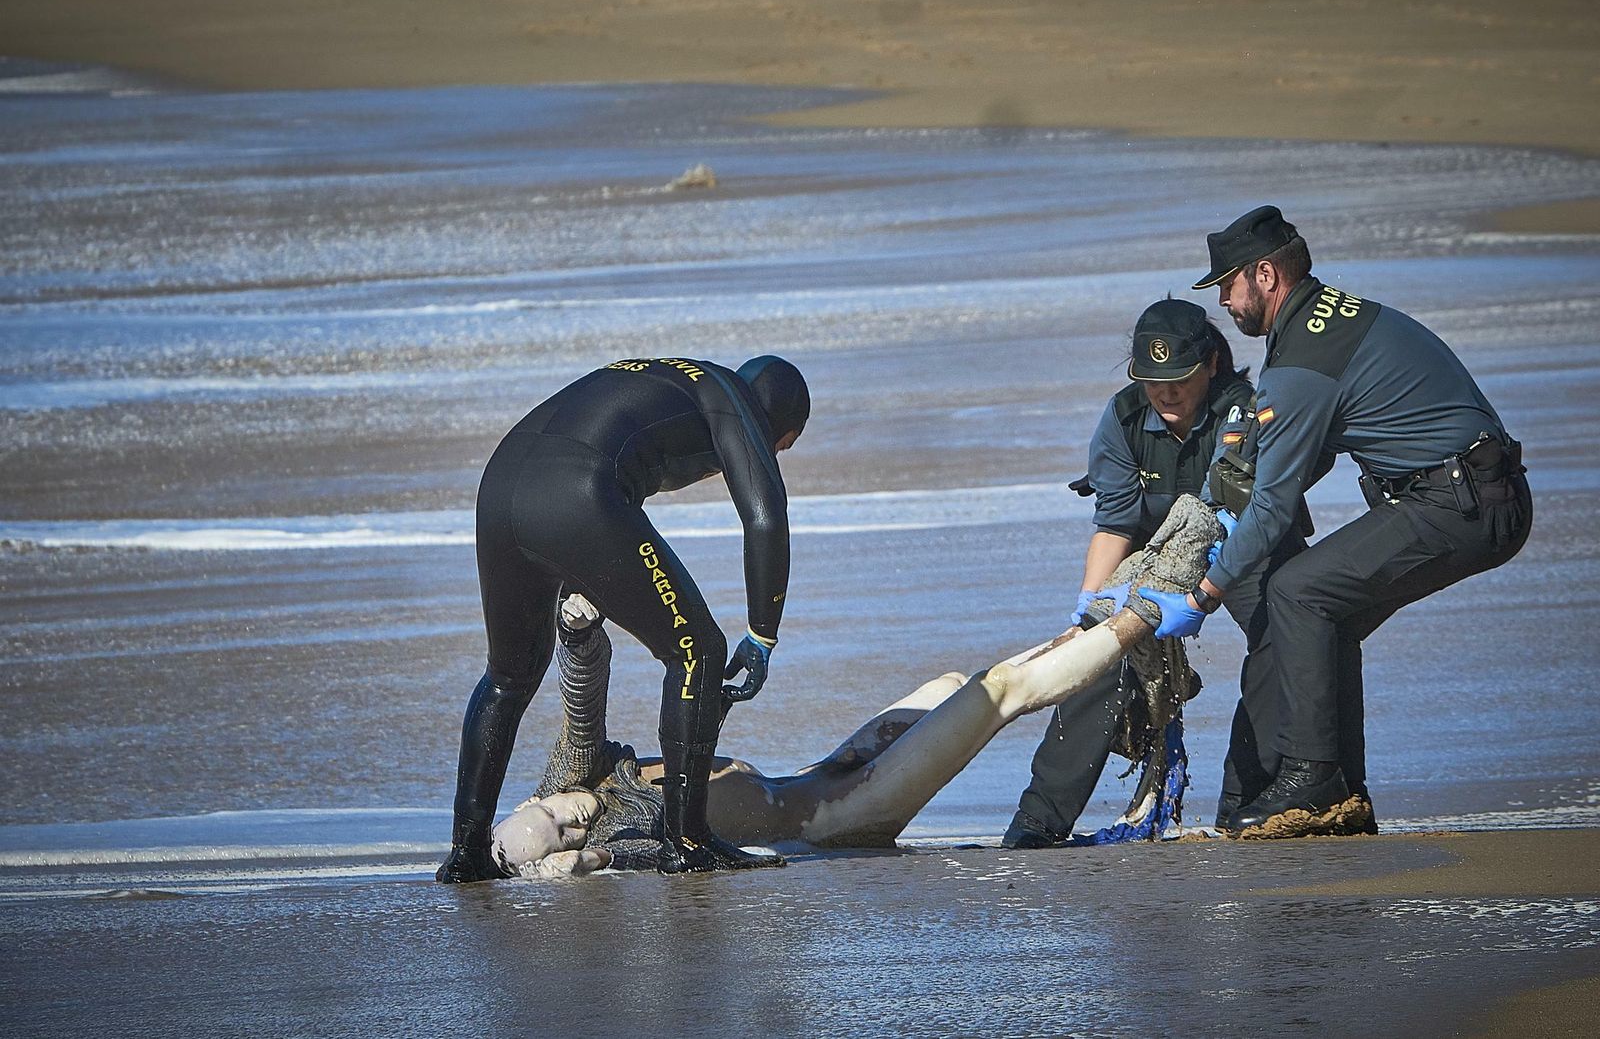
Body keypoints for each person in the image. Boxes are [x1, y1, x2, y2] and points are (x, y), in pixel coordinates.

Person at [493, 497, 1220, 877]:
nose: (571, 814)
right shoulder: (622, 841)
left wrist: (578, 632)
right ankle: (1144, 615)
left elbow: (581, 702)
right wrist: (573, 862)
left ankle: (1088, 629)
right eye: (566, 830)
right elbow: (618, 862)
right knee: (997, 693)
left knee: (948, 683)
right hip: (839, 817)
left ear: (538, 796)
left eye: (552, 810)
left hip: (817, 773)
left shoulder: (580, 774)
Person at [1140, 205, 1533, 837]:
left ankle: (1312, 780)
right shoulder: (1334, 319)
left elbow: (1273, 504)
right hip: (1479, 490)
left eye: (1228, 286)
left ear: (1265, 275)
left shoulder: (1302, 361)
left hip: (1458, 502)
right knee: (1331, 616)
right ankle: (1345, 793)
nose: (1224, 303)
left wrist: (1202, 594)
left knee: (1297, 593)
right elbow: (1302, 458)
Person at [436, 354, 810, 881]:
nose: (772, 455)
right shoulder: (734, 400)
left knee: (508, 677)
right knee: (698, 651)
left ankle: (467, 853)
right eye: (781, 447)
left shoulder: (672, 377)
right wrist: (762, 634)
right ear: (780, 426)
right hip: (577, 488)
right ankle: (686, 843)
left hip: (500, 485)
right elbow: (765, 514)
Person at [1001, 298, 1322, 847]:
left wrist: (1201, 593)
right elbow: (1115, 523)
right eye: (1152, 381)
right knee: (1096, 659)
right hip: (1153, 555)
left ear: (1211, 364)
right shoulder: (1123, 417)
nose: (1165, 393)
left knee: (1279, 639)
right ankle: (1038, 822)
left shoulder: (1245, 410)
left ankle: (1245, 807)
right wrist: (1089, 607)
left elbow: (1229, 508)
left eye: (1179, 379)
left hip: (1245, 546)